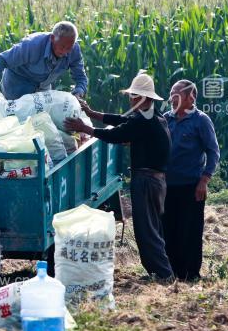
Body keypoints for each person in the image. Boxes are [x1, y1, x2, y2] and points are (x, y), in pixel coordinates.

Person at [64, 73, 174, 281]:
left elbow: (117, 134)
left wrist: (85, 128)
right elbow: (123, 121)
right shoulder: (152, 116)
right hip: (155, 181)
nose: (131, 99)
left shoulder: (145, 121)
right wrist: (92, 113)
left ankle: (163, 274)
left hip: (147, 180)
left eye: (134, 96)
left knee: (146, 229)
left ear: (143, 98)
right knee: (151, 228)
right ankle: (157, 272)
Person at [163, 80, 220, 281]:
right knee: (168, 229)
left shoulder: (201, 121)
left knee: (189, 231)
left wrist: (204, 180)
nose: (172, 99)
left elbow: (213, 152)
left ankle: (190, 274)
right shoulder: (166, 119)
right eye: (171, 94)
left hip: (191, 186)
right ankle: (171, 273)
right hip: (167, 186)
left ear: (190, 98)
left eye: (177, 95)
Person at [0, 21, 88, 104]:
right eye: (62, 47)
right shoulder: (31, 45)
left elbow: (81, 77)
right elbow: (0, 60)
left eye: (69, 48)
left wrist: (79, 92)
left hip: (43, 89)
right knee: (20, 122)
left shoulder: (74, 50)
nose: (65, 52)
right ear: (52, 38)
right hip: (17, 87)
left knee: (41, 122)